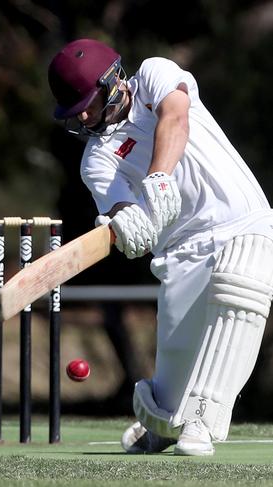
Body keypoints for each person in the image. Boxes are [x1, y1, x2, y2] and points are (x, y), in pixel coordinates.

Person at [47, 38, 273, 456]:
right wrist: (127, 224)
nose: (81, 114)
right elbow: (121, 208)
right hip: (182, 253)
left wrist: (159, 176)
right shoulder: (96, 159)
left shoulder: (153, 75)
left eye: (86, 103)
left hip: (242, 219)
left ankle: (204, 419)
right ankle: (161, 421)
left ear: (112, 82)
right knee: (167, 400)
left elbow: (176, 117)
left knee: (242, 285)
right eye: (74, 109)